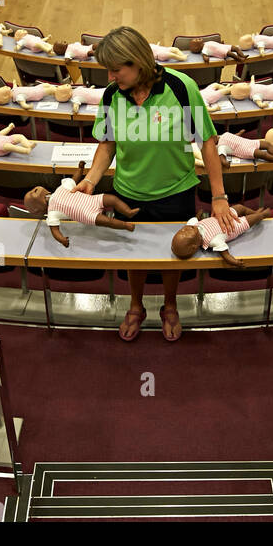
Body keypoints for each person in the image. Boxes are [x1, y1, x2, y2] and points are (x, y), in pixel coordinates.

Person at [77, 26, 231, 341]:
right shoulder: (111, 95)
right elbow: (107, 144)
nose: (110, 77)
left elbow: (207, 142)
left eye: (116, 70)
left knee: (173, 256)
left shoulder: (181, 87)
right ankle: (136, 305)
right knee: (134, 257)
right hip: (128, 194)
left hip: (177, 193)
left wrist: (219, 196)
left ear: (137, 62)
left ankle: (170, 305)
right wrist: (91, 180)